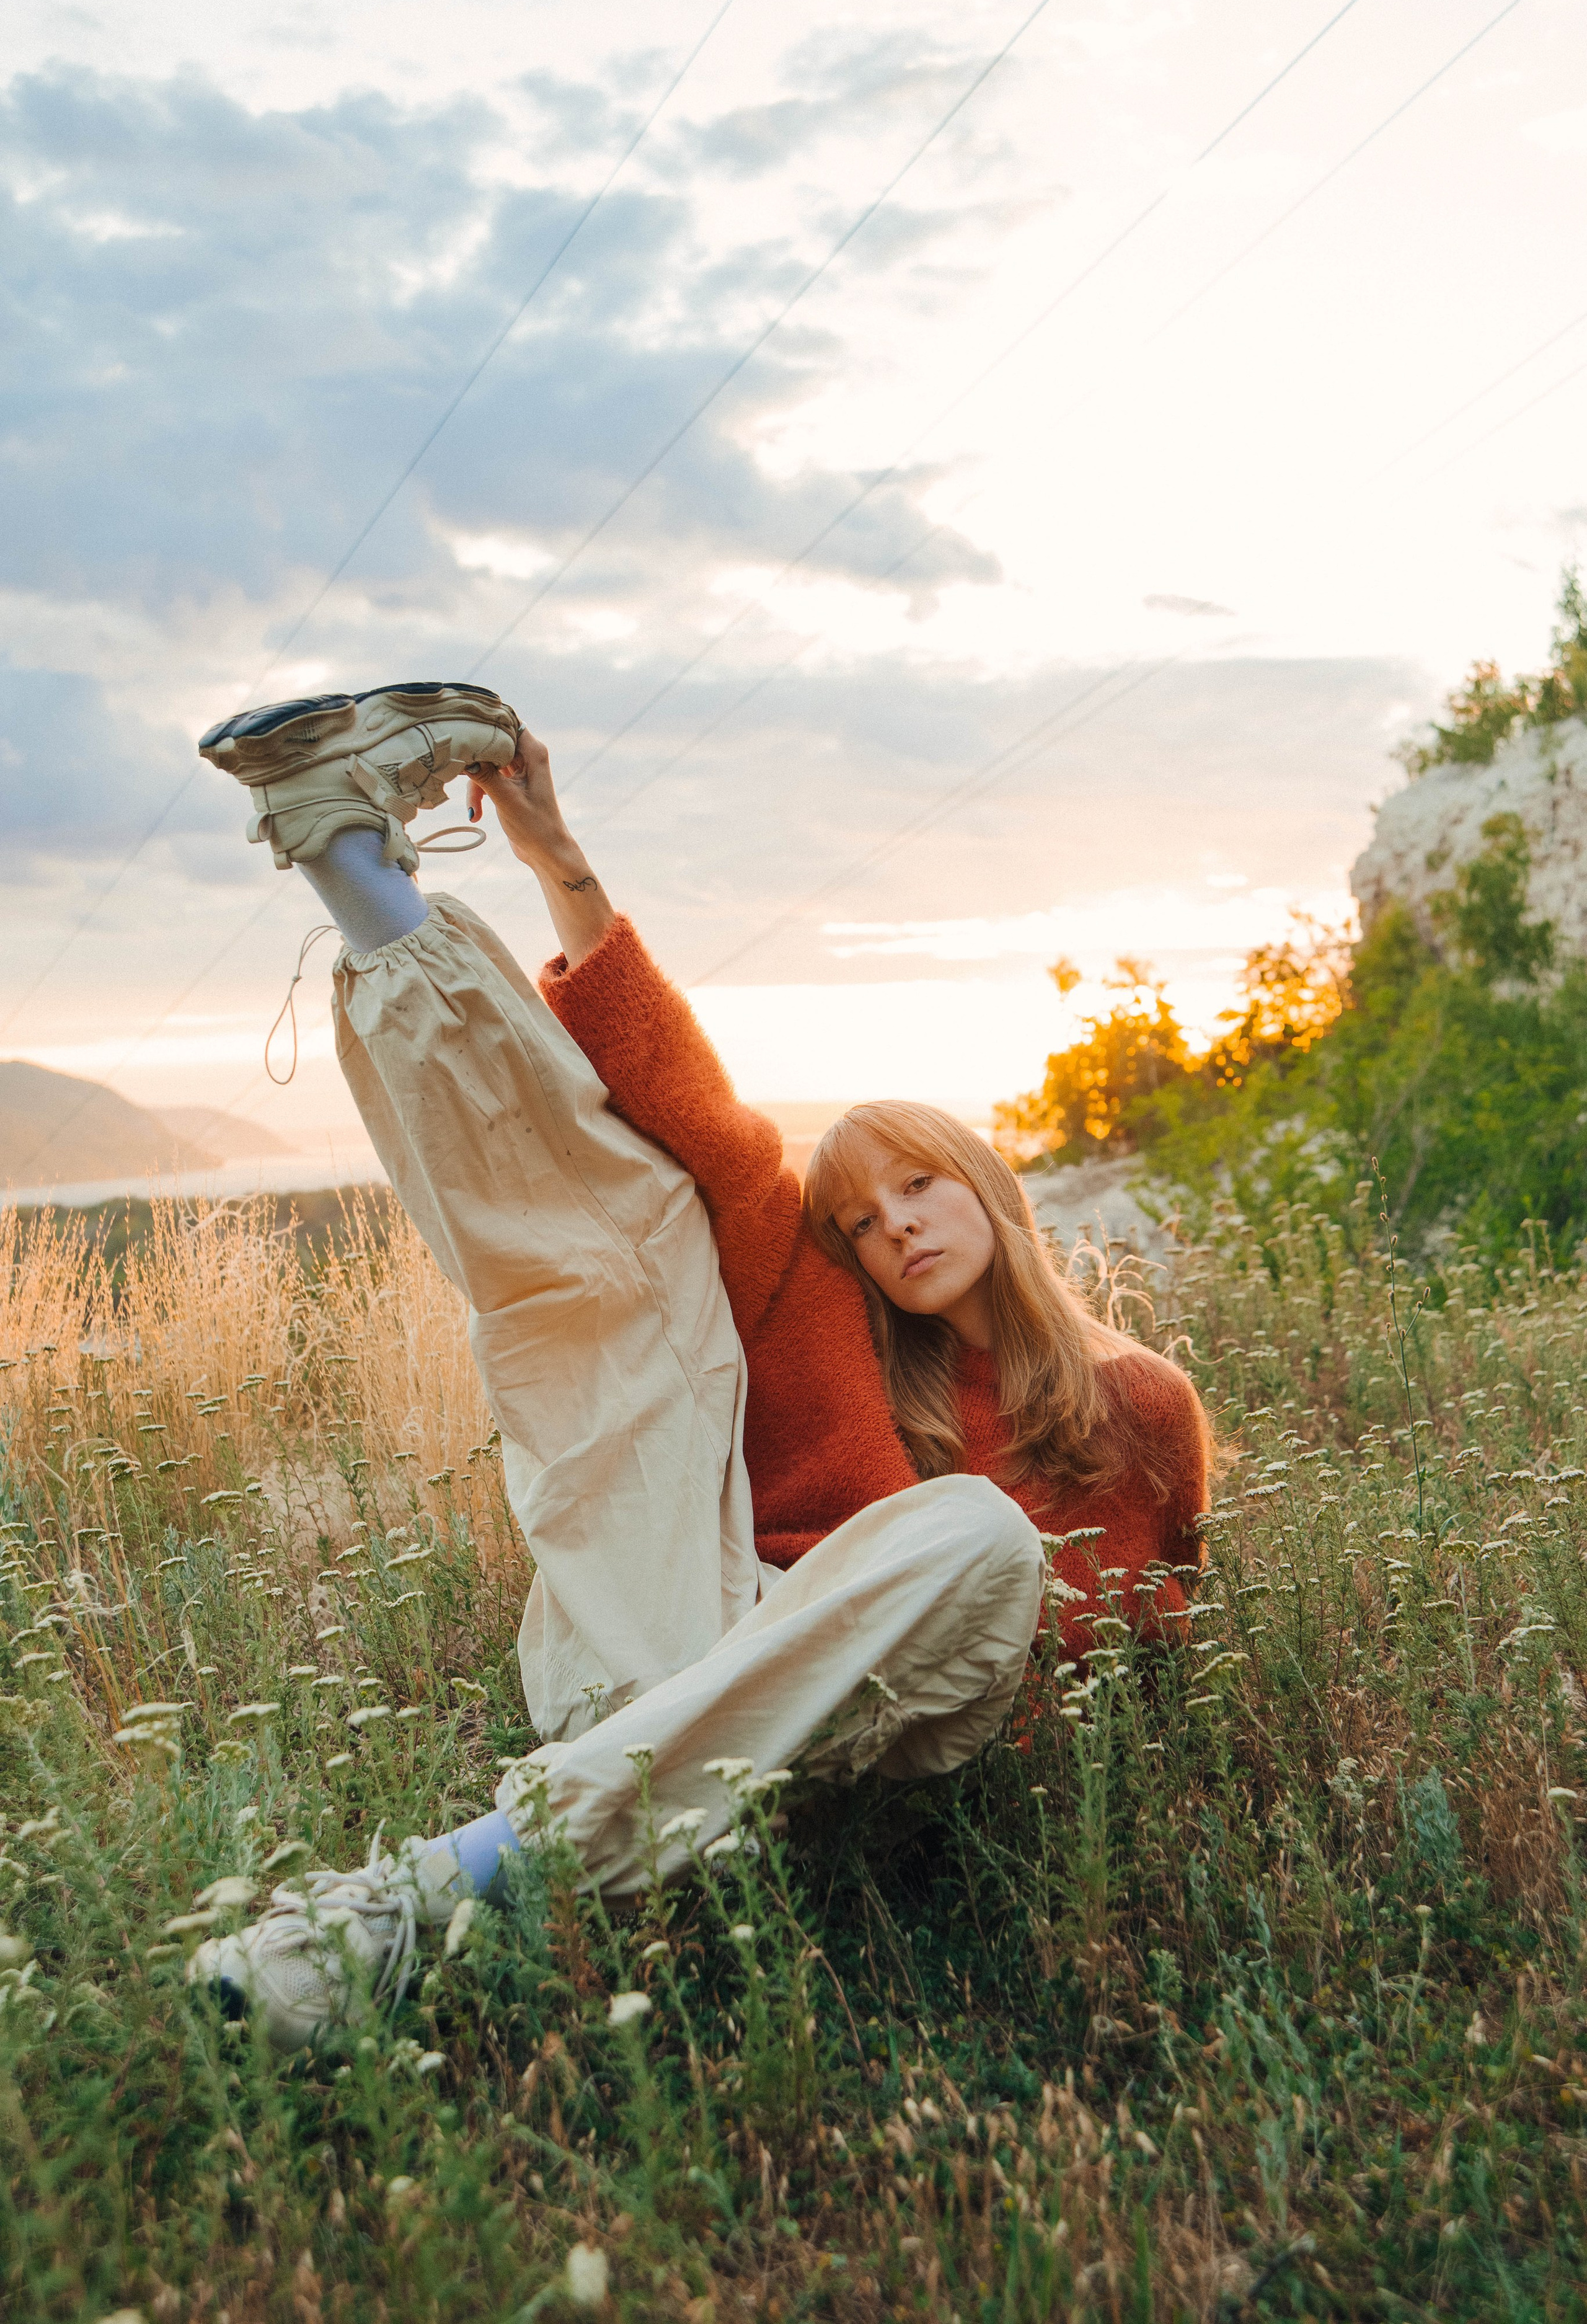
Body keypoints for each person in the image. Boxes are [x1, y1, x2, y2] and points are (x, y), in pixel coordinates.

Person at [186, 682, 1208, 2050]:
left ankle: (423, 1891)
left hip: (897, 1717)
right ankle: (350, 861)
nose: (887, 1224)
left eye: (916, 1185)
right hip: (688, 1640)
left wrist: (844, 1665)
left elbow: (1126, 1638)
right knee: (626, 1240)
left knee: (974, 1535)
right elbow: (697, 1113)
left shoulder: (1138, 1401)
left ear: (990, 1187)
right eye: (855, 1213)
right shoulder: (825, 1313)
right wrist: (557, 859)